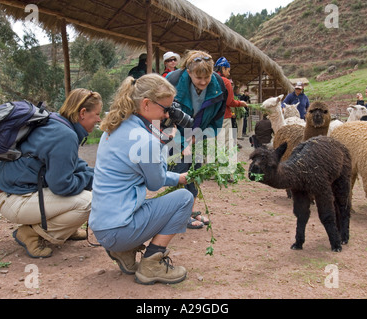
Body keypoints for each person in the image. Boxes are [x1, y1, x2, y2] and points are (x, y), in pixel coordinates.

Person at [89, 74, 194, 285]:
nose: (167, 114)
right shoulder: (146, 140)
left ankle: (124, 251)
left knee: (147, 203)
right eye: (165, 108)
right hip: (118, 230)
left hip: (102, 225)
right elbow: (155, 183)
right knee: (184, 198)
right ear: (146, 104)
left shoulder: (115, 127)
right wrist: (176, 171)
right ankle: (151, 265)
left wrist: (161, 142)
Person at [0, 89, 102, 258]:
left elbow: (73, 166)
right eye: (96, 114)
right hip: (15, 200)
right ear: (82, 113)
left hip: (9, 193)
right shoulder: (65, 135)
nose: (99, 119)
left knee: (84, 187)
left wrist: (99, 175)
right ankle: (31, 234)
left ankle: (66, 229)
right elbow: (62, 185)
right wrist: (92, 179)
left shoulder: (56, 123)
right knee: (89, 201)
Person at [166, 50, 228, 228]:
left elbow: (217, 118)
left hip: (199, 133)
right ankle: (177, 216)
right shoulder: (173, 81)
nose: (203, 82)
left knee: (195, 171)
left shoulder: (219, 86)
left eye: (207, 77)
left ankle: (188, 212)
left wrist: (197, 137)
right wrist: (179, 139)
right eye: (198, 77)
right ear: (188, 72)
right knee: (178, 171)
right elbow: (163, 112)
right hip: (175, 132)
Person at [214, 57, 248, 152]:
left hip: (211, 117)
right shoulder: (225, 81)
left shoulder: (210, 79)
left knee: (213, 144)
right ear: (223, 68)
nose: (229, 74)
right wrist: (240, 103)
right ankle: (224, 165)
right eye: (228, 71)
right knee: (225, 143)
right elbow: (229, 102)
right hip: (223, 116)